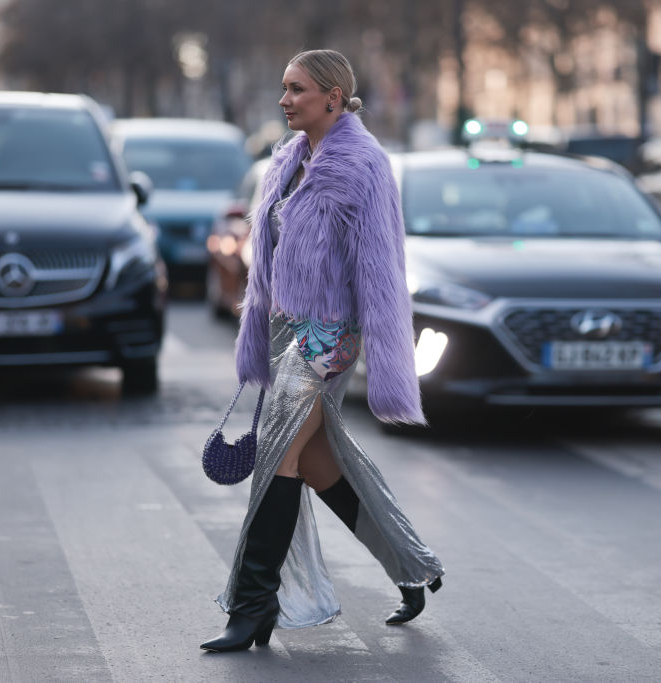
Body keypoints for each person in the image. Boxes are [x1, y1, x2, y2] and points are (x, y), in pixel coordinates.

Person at [201, 50, 444, 653]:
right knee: (313, 464)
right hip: (288, 332)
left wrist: (381, 355)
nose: (284, 100)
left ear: (334, 95)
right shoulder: (287, 159)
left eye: (297, 90)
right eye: (282, 89)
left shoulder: (363, 165)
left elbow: (382, 267)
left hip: (330, 337)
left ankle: (251, 605)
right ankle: (414, 565)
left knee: (276, 458)